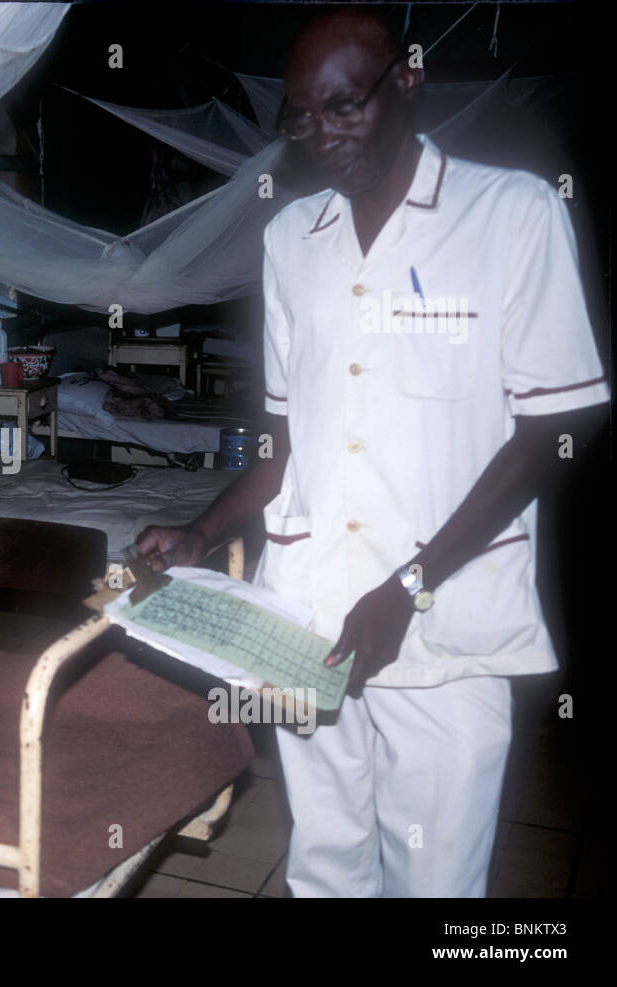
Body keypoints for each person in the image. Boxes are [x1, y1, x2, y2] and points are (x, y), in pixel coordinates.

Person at [137, 10, 607, 896]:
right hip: (307, 616)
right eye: (301, 118)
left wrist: (412, 587)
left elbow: (553, 433)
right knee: (324, 862)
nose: (322, 136)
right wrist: (202, 530)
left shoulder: (509, 216)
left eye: (344, 106)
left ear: (408, 79)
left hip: (443, 624)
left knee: (437, 881)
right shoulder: (291, 241)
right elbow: (290, 443)